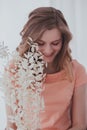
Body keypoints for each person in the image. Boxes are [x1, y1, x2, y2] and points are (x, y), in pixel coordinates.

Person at [5, 7, 87, 130]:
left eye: (55, 43)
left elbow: (80, 125)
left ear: (63, 42)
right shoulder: (14, 70)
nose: (48, 51)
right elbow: (11, 125)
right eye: (40, 43)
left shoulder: (76, 71)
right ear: (30, 42)